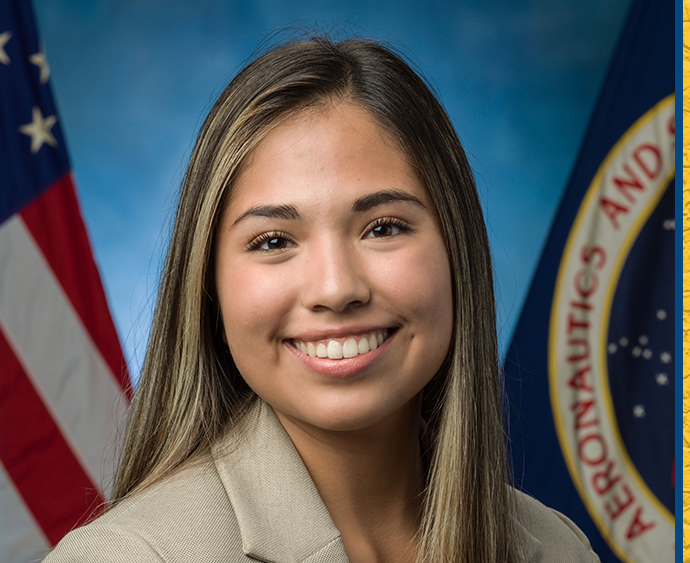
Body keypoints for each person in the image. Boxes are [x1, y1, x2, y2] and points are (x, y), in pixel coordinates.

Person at [44, 37, 598, 563]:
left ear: (459, 250)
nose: (336, 289)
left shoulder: (554, 547)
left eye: (383, 228)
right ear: (208, 287)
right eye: (274, 241)